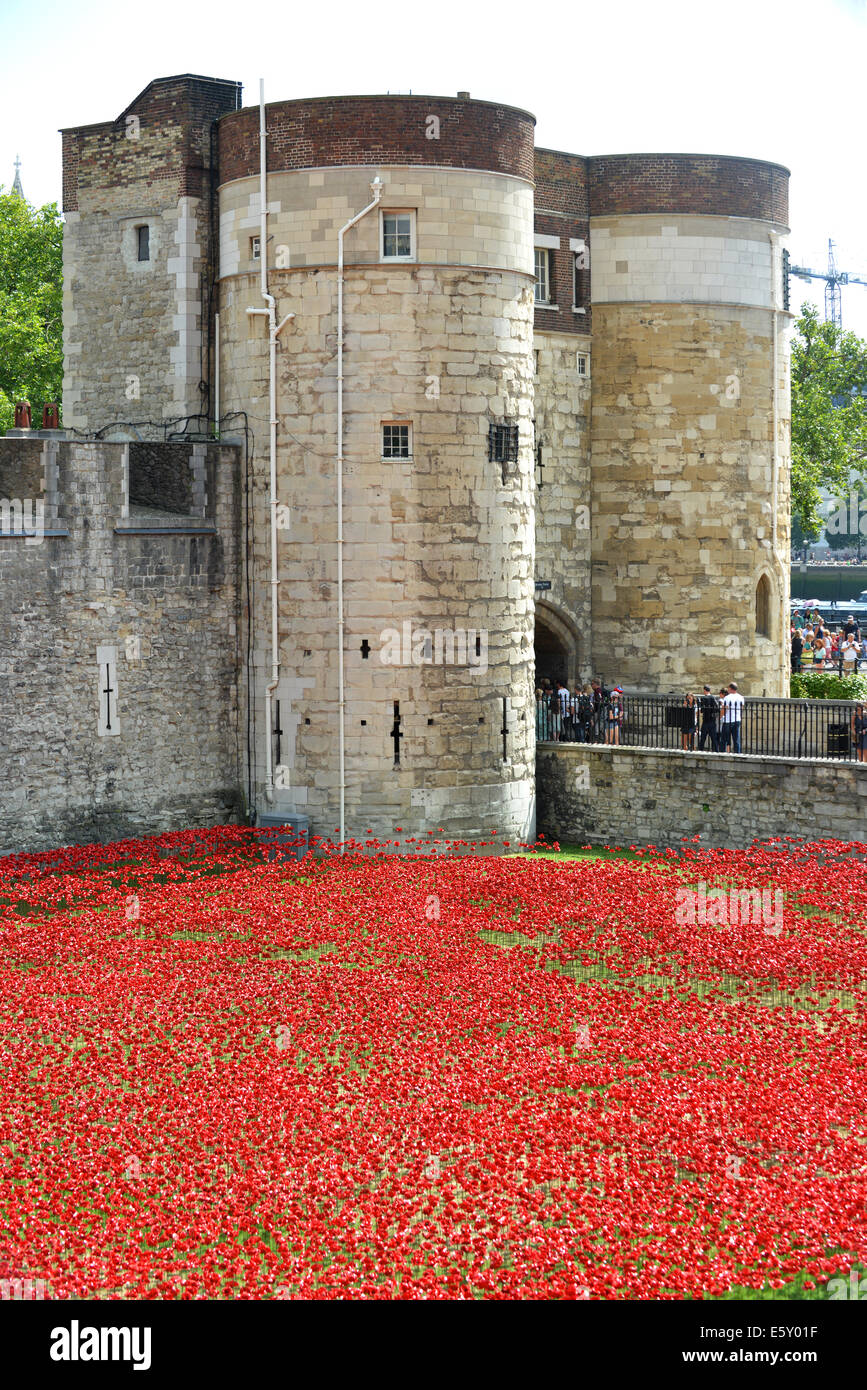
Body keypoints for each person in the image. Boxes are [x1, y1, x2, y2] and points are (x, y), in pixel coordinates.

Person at [720, 682, 745, 753]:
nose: (727, 689)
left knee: (724, 739)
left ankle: (722, 754)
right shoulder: (741, 697)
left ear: (730, 688)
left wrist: (721, 717)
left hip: (728, 720)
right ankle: (737, 754)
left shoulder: (727, 698)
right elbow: (741, 708)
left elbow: (723, 709)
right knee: (736, 739)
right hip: (737, 720)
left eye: (728, 688)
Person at [698, 685, 719, 751]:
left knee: (703, 738)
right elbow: (717, 708)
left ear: (704, 690)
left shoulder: (703, 698)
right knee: (714, 738)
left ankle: (700, 751)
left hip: (705, 721)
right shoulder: (713, 698)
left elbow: (702, 710)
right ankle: (716, 751)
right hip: (712, 721)